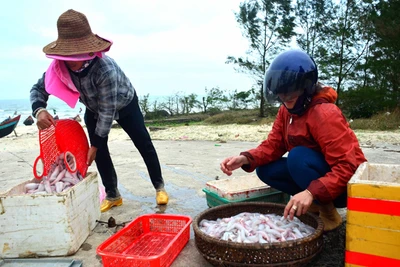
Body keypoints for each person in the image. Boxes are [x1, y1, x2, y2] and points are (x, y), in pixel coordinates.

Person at [30, 9, 169, 212]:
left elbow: (107, 111)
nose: (70, 63)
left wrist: (95, 143)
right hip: (93, 108)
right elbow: (38, 89)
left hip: (124, 104)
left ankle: (159, 187)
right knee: (99, 154)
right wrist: (39, 110)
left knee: (143, 143)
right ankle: (113, 194)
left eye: (74, 57)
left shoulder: (105, 70)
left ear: (87, 50)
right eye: (66, 57)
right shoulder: (59, 67)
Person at [220, 50, 367, 232]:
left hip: (343, 188)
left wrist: (310, 192)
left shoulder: (325, 114)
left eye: (291, 91)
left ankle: (329, 213)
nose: (285, 97)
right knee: (265, 169)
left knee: (297, 156)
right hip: (317, 177)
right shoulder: (286, 110)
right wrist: (246, 158)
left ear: (307, 86)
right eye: (281, 93)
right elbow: (274, 144)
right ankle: (313, 206)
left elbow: (348, 167)